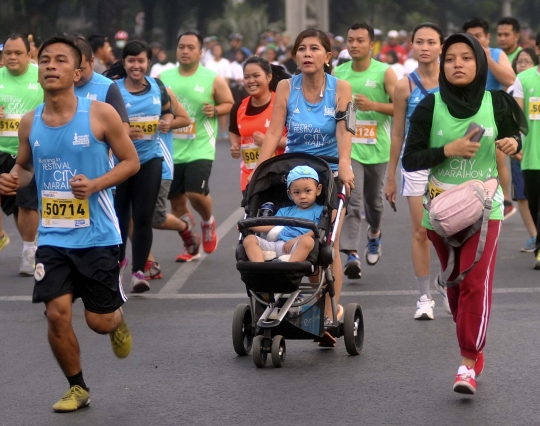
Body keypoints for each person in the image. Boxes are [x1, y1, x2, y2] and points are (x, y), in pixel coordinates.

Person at [0, 34, 139, 412]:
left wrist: (95, 184)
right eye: (44, 59)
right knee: (56, 312)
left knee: (99, 322)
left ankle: (117, 317)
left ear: (77, 72)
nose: (49, 66)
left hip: (98, 234)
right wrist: (13, 178)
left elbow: (131, 162)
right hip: (53, 236)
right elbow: (25, 168)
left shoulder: (99, 114)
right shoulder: (30, 122)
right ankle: (77, 386)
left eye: (60, 60)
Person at [402, 33, 526, 394]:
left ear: (480, 64)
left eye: (467, 58)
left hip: (485, 209)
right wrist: (447, 150)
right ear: (442, 65)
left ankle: (467, 363)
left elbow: (516, 138)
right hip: (440, 213)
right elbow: (411, 160)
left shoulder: (497, 102)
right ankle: (469, 335)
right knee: (455, 289)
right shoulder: (429, 106)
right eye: (451, 58)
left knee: (474, 283)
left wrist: (513, 143)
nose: (458, 64)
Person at [251, 28, 355, 346]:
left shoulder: (341, 88)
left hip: (330, 172)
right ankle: (280, 300)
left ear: (327, 56)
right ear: (295, 56)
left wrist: (347, 164)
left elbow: (344, 131)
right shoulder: (285, 86)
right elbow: (272, 133)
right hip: (293, 172)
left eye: (314, 49)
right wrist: (260, 167)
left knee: (327, 244)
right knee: (283, 231)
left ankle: (327, 312)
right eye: (301, 49)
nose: (307, 54)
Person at [385, 23, 448, 320]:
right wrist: (390, 176)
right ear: (411, 45)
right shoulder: (403, 85)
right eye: (419, 42)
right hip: (417, 164)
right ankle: (424, 297)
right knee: (421, 230)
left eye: (431, 42)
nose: (425, 47)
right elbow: (397, 133)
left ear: (441, 46)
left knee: (450, 231)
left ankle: (446, 283)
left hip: (450, 164)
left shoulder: (453, 81)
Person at [104, 40, 174, 293]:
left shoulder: (157, 87)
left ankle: (139, 271)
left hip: (150, 160)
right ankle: (119, 264)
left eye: (141, 60)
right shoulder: (113, 89)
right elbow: (101, 122)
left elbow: (168, 112)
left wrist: (166, 122)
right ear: (124, 62)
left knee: (143, 217)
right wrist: (122, 132)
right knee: (120, 217)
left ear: (148, 63)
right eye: (131, 60)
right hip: (122, 162)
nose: (136, 65)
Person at [159, 31, 234, 260]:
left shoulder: (212, 78)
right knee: (176, 202)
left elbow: (228, 102)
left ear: (200, 53)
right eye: (181, 46)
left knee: (195, 193)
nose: (185, 51)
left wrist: (216, 110)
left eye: (191, 47)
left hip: (200, 147)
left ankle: (207, 222)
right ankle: (190, 245)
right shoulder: (164, 76)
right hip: (171, 149)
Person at [334, 22, 397, 279]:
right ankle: (351, 253)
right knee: (352, 198)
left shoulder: (385, 72)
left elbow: (400, 109)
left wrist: (373, 105)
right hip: (351, 149)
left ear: (372, 44)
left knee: (374, 203)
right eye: (350, 40)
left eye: (360, 40)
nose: (354, 45)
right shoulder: (339, 72)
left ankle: (374, 233)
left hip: (378, 148)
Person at [463, 17, 517, 220]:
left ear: (487, 37)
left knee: (497, 157)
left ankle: (504, 201)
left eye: (479, 36)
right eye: (471, 36)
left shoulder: (496, 54)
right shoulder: (462, 56)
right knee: (468, 159)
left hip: (493, 114)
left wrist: (488, 59)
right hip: (466, 115)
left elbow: (510, 80)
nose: (475, 40)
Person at [0, 33, 44, 275]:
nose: (12, 57)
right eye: (8, 53)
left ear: (29, 55)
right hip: (1, 152)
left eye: (18, 53)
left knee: (26, 203)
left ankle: (29, 250)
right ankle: (32, 243)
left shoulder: (40, 77)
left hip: (28, 153)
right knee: (14, 207)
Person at [229, 56, 288, 193]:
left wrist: (268, 141)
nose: (251, 81)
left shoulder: (282, 104)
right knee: (253, 214)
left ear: (268, 77)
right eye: (247, 77)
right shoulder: (238, 108)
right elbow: (234, 131)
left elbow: (296, 140)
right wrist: (234, 144)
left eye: (256, 76)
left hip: (279, 175)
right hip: (250, 177)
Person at [243, 165, 323, 262]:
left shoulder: (319, 210)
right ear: (290, 194)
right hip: (277, 245)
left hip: (298, 246)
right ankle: (259, 267)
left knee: (308, 241)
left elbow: (317, 231)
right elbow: (270, 226)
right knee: (249, 240)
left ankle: (290, 264)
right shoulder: (285, 211)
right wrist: (249, 226)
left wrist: (295, 240)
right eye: (297, 192)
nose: (302, 196)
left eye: (307, 191)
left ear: (318, 190)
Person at [512, 33, 540, 269]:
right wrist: (516, 144)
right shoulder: (525, 78)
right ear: (538, 50)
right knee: (535, 205)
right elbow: (518, 117)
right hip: (531, 156)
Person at [72, 37, 129, 134]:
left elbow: (124, 126)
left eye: (81, 69)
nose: (76, 75)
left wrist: (111, 149)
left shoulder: (108, 87)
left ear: (92, 61)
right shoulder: (58, 87)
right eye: (71, 70)